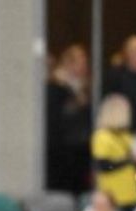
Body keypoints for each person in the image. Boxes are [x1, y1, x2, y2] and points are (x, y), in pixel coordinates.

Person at [46, 44, 94, 193]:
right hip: (62, 153)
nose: (84, 68)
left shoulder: (83, 89)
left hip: (80, 152)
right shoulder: (56, 88)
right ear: (69, 64)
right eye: (81, 63)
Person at [92, 95, 136, 211]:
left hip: (132, 191)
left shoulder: (127, 135)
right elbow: (104, 166)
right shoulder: (101, 136)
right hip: (113, 194)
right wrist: (129, 159)